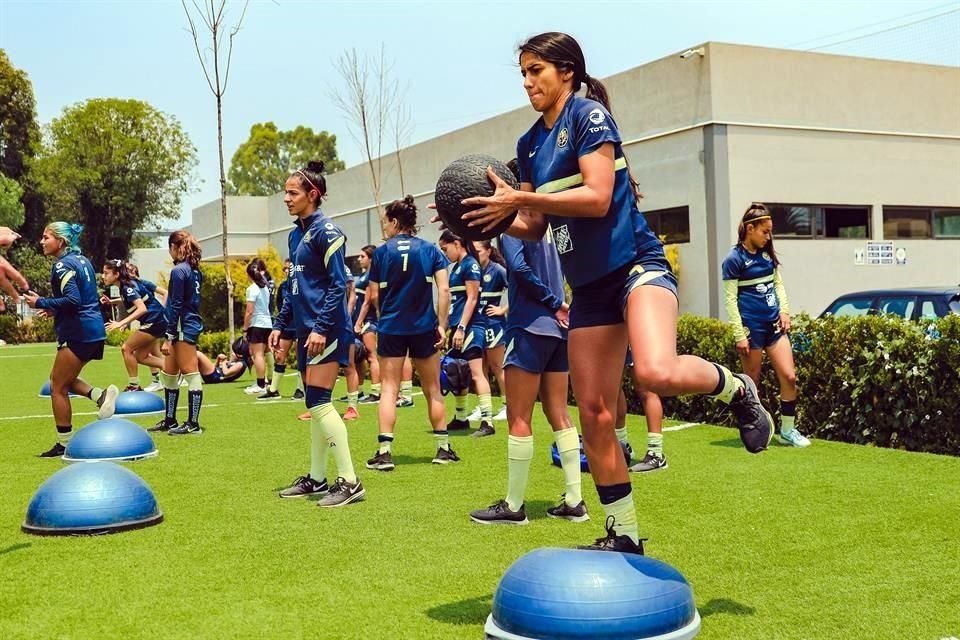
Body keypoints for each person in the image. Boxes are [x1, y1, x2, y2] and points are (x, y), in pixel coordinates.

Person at [460, 32, 775, 553]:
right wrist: (491, 220)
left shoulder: (589, 117)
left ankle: (737, 388)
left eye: (535, 69)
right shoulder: (529, 144)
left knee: (654, 371)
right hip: (588, 289)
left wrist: (518, 195)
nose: (527, 81)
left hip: (635, 267)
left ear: (566, 70)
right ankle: (624, 533)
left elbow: (599, 195)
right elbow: (537, 224)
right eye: (522, 72)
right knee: (596, 415)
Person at [469, 228, 588, 524]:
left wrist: (552, 301)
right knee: (559, 412)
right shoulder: (555, 221)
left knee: (519, 416)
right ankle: (575, 501)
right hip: (559, 329)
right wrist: (562, 303)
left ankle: (513, 506)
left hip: (530, 326)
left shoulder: (513, 225)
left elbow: (519, 267)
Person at [269, 160, 365, 508]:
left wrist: (322, 328)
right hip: (306, 330)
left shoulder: (329, 232)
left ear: (313, 194)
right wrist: (282, 326)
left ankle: (350, 481)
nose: (286, 198)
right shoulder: (296, 235)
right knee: (315, 401)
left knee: (320, 402)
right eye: (285, 192)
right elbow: (293, 286)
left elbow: (339, 285)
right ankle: (317, 477)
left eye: (292, 192)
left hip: (327, 330)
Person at [364, 195, 455, 471]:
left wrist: (385, 315)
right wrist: (441, 325)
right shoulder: (430, 250)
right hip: (424, 327)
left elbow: (374, 293)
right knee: (432, 389)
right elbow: (444, 291)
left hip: (391, 327)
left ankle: (384, 452)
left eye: (386, 223)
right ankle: (442, 449)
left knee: (389, 390)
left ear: (394, 221)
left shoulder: (381, 253)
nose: (385, 229)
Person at [23, 222, 119, 457]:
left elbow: (73, 300)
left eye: (46, 237)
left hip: (78, 331)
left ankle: (64, 444)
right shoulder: (83, 260)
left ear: (61, 242)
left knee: (57, 387)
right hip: (93, 329)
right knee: (64, 379)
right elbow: (83, 299)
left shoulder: (61, 265)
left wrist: (41, 303)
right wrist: (54, 309)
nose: (42, 242)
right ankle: (100, 395)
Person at [723, 203, 810, 448]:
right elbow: (730, 300)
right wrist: (739, 334)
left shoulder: (767, 254)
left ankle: (788, 430)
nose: (768, 236)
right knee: (751, 384)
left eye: (770, 231)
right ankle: (754, 431)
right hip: (751, 331)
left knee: (790, 377)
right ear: (750, 229)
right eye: (765, 231)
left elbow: (777, 285)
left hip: (773, 327)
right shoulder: (734, 260)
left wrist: (784, 310)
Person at [438, 230, 496, 437]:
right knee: (458, 372)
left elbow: (472, 299)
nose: (444, 254)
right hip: (458, 326)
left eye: (445, 249)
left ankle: (487, 422)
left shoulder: (470, 263)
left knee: (476, 372)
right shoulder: (456, 268)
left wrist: (462, 328)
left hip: (471, 326)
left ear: (457, 243)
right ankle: (461, 418)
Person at [149, 230, 205, 435]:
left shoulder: (179, 271)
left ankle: (193, 424)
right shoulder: (194, 270)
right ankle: (170, 420)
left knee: (191, 374)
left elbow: (177, 304)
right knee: (169, 374)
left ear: (174, 247)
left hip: (183, 326)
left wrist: (169, 337)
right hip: (187, 323)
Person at [101, 259, 167, 391]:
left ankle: (134, 385)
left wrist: (121, 323)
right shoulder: (125, 286)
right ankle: (172, 369)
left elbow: (142, 308)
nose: (103, 276)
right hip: (156, 321)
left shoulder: (127, 287)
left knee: (126, 348)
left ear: (116, 274)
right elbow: (130, 299)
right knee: (140, 356)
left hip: (153, 321)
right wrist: (112, 302)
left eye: (106, 273)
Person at [470, 239, 508, 423]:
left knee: (497, 365)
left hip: (493, 324)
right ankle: (484, 406)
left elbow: (518, 290)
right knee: (479, 367)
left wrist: (503, 309)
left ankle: (507, 404)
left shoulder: (498, 270)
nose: (475, 254)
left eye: (478, 250)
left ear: (488, 250)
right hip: (476, 324)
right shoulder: (472, 270)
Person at [260, 257, 304, 401]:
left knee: (301, 358)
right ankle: (274, 389)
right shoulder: (284, 286)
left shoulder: (303, 284)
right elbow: (281, 306)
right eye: (285, 268)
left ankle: (301, 389)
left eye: (289, 267)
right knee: (279, 356)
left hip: (301, 325)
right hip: (287, 326)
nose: (286, 270)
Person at [352, 244, 382, 404]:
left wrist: (358, 322)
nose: (359, 259)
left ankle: (376, 392)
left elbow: (367, 302)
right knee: (358, 357)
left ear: (370, 258)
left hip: (367, 322)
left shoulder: (372, 275)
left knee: (372, 356)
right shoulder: (363, 276)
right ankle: (359, 391)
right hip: (358, 321)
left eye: (362, 256)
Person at [242, 258, 274, 396]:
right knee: (267, 353)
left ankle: (261, 384)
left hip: (257, 324)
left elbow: (249, 311)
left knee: (258, 354)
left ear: (249, 275)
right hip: (267, 324)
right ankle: (269, 382)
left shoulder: (252, 289)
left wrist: (245, 328)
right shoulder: (265, 288)